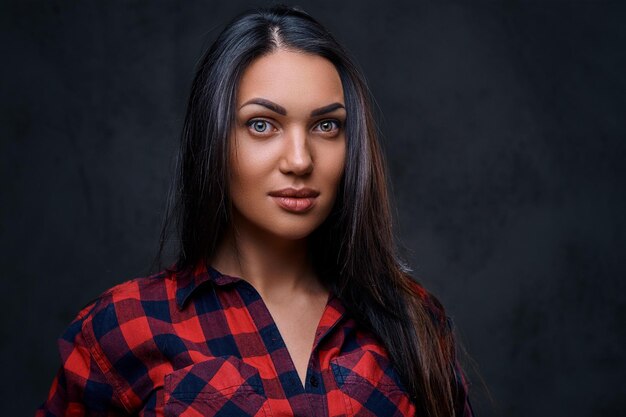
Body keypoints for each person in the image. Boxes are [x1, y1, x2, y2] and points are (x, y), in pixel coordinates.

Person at [37, 5, 474, 417]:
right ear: (214, 138)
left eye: (327, 126)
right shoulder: (125, 326)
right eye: (262, 125)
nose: (300, 160)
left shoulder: (412, 319)